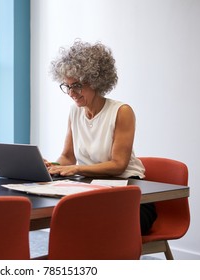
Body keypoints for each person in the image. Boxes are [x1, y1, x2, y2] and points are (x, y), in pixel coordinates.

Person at [46, 39, 156, 235]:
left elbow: (118, 165)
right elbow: (67, 156)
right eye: (67, 86)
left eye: (77, 86)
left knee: (91, 226)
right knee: (70, 221)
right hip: (92, 189)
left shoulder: (121, 112)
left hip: (131, 196)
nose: (71, 93)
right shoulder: (75, 112)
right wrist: (53, 165)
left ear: (96, 81)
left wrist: (76, 169)